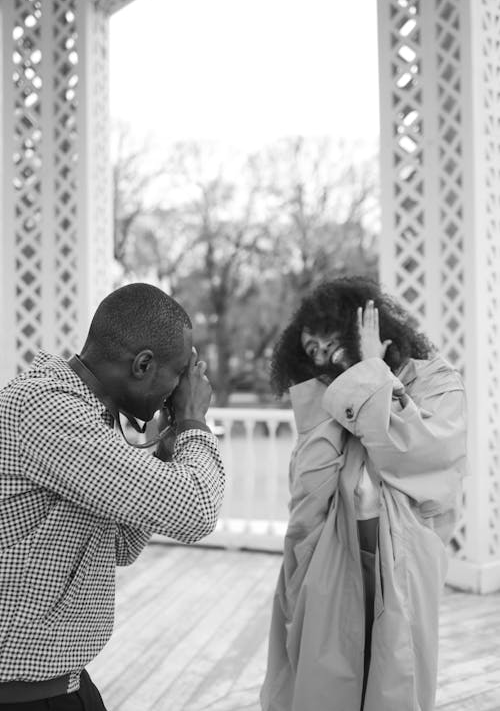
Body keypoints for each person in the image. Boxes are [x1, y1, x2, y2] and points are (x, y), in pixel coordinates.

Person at [0, 283, 225, 709]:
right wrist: (193, 420)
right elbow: (197, 509)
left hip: (61, 684)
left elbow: (120, 544)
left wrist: (167, 439)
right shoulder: (47, 411)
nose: (179, 390)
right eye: (178, 375)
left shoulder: (85, 415)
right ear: (143, 365)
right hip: (23, 696)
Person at [260, 277, 467, 711]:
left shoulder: (436, 381)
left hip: (402, 557)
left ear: (364, 330)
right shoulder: (324, 396)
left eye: (331, 343)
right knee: (327, 683)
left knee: (394, 679)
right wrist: (333, 405)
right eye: (311, 349)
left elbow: (421, 455)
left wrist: (371, 373)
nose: (322, 357)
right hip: (331, 556)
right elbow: (308, 487)